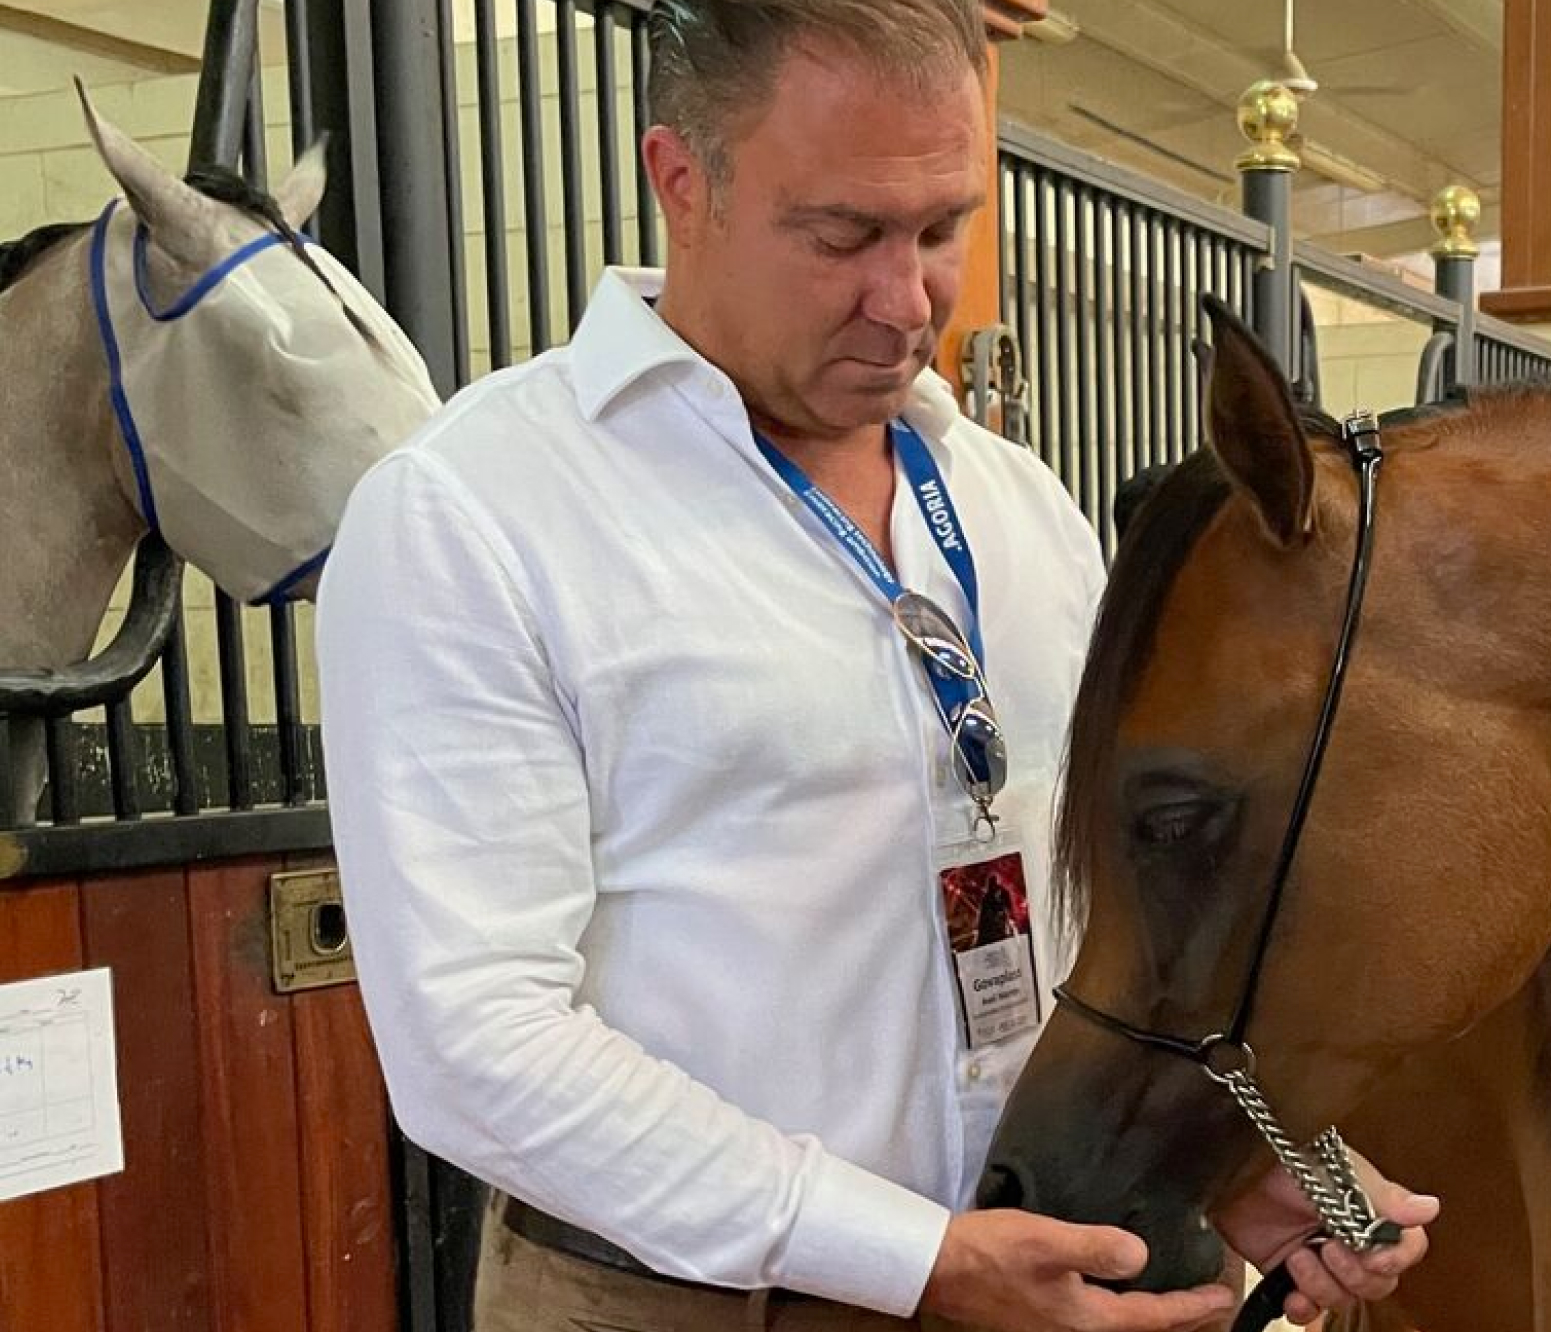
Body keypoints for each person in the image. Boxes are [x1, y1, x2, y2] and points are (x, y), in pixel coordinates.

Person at [314, 3, 1432, 1331]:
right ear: (683, 182)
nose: (907, 302)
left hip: (1043, 1260)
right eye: (843, 236)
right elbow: (475, 1048)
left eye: (942, 229)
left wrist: (1238, 1157)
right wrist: (911, 1259)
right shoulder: (474, 512)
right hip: (686, 1302)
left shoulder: (1017, 508)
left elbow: (1094, 915)